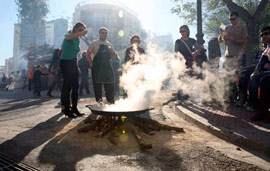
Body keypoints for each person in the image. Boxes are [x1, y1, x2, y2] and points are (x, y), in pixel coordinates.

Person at [60, 22, 87, 118]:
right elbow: (67, 38)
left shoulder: (77, 40)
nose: (81, 32)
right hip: (66, 62)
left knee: (76, 86)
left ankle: (74, 108)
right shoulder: (70, 34)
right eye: (80, 29)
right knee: (67, 86)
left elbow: (74, 54)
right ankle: (65, 108)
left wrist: (77, 67)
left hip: (73, 62)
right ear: (75, 29)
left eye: (83, 30)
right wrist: (80, 33)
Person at [86, 27, 116, 104]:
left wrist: (113, 53)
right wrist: (91, 63)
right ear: (99, 34)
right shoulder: (94, 43)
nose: (104, 34)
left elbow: (113, 56)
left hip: (107, 67)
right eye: (102, 33)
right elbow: (88, 54)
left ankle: (111, 103)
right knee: (97, 87)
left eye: (105, 33)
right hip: (97, 67)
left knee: (110, 85)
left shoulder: (109, 44)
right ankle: (99, 104)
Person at [246, 26, 270, 111]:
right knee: (244, 72)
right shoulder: (267, 48)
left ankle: (254, 104)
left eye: (266, 33)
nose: (264, 36)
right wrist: (256, 71)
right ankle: (243, 99)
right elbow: (261, 62)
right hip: (266, 71)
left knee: (255, 77)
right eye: (262, 35)